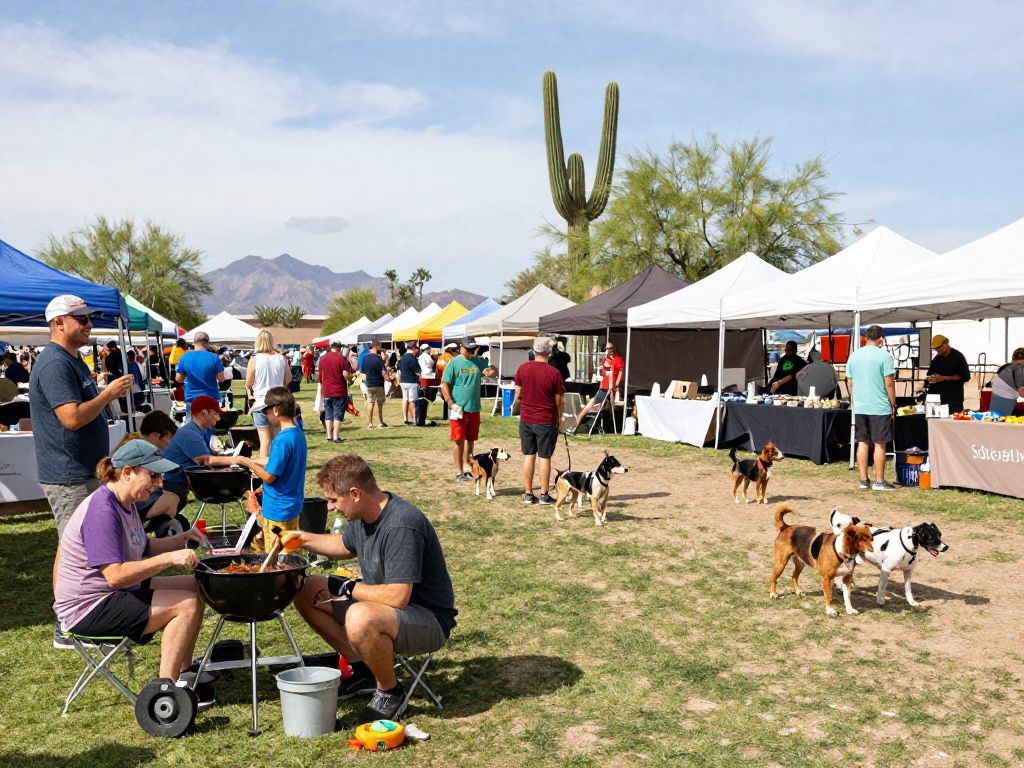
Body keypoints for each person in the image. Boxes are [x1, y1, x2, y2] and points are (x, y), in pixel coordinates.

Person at [285, 454, 457, 724]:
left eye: (333, 500)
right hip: (389, 611)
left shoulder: (401, 524)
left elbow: (398, 597)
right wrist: (302, 539)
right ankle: (364, 669)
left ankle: (390, 691)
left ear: (354, 493)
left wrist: (347, 587)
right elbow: (343, 546)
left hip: (428, 620)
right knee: (308, 589)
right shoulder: (363, 516)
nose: (330, 508)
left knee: (360, 616)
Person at [30, 294, 134, 649]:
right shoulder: (55, 364)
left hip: (81, 469)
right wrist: (108, 393)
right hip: (68, 473)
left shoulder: (70, 360)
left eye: (90, 318)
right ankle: (66, 624)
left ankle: (81, 615)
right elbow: (71, 418)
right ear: (59, 322)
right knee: (72, 547)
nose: (90, 324)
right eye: (82, 319)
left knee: (81, 544)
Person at [54, 439, 207, 680]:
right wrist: (169, 558)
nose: (159, 484)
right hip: (89, 607)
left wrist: (183, 539)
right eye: (153, 476)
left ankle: (184, 672)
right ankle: (166, 691)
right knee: (185, 604)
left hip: (111, 592)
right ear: (128, 472)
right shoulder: (103, 511)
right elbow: (115, 576)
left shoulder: (125, 502)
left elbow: (142, 546)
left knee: (197, 587)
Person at [229, 387, 307, 552]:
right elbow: (278, 463)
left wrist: (247, 461)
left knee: (276, 557)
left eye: (266, 411)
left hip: (278, 509)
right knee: (291, 551)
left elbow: (269, 476)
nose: (265, 416)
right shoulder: (298, 434)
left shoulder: (282, 440)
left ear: (276, 410)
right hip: (292, 505)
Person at [160, 396, 240, 511]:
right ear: (204, 413)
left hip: (176, 484)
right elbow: (205, 461)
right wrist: (236, 460)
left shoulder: (195, 430)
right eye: (216, 413)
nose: (218, 418)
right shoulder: (190, 434)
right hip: (171, 485)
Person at [513, 337, 565, 505]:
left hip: (527, 418)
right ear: (549, 353)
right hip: (546, 420)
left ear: (533, 351)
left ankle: (528, 493)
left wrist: (515, 407)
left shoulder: (522, 369)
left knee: (529, 456)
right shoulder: (554, 373)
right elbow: (559, 401)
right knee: (545, 458)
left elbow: (518, 394)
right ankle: (544, 494)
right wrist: (560, 419)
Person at [846, 325, 897, 491]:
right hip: (879, 406)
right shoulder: (884, 356)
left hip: (860, 405)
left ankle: (863, 479)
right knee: (880, 443)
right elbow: (889, 383)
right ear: (881, 338)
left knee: (862, 442)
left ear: (865, 338)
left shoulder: (854, 355)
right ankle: (880, 482)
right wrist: (893, 404)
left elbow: (850, 381)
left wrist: (855, 399)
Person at [440, 337, 495, 481]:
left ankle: (467, 467)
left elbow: (490, 371)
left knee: (470, 440)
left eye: (473, 349)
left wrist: (492, 369)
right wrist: (451, 403)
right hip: (458, 408)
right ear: (461, 347)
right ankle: (459, 473)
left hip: (474, 407)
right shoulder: (453, 363)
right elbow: (444, 384)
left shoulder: (478, 360)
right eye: (468, 349)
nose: (470, 351)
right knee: (458, 440)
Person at [245, 330, 292, 461]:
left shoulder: (254, 360)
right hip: (278, 402)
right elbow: (288, 379)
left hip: (260, 403)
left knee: (264, 441)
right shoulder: (281, 359)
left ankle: (264, 469)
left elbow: (248, 383)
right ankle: (279, 465)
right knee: (277, 439)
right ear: (272, 341)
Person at [574, 341, 624, 429]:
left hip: (611, 387)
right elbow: (605, 374)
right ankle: (577, 422)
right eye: (606, 349)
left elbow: (620, 373)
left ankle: (581, 419)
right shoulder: (605, 360)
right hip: (605, 387)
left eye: (610, 349)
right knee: (593, 403)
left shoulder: (618, 359)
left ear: (613, 349)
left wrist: (616, 385)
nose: (608, 351)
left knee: (603, 404)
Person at [175, 331, 224, 413]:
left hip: (192, 398)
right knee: (210, 423)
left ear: (194, 343)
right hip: (211, 397)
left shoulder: (184, 357)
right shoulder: (214, 357)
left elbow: (179, 379)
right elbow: (221, 378)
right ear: (207, 343)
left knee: (191, 423)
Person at [925, 334, 971, 414]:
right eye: (935, 348)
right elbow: (930, 373)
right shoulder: (937, 358)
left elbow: (965, 376)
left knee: (952, 423)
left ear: (945, 344)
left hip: (953, 400)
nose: (937, 350)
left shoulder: (958, 357)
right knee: (932, 422)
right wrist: (931, 378)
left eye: (939, 347)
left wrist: (944, 378)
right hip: (935, 398)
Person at [319, 341, 352, 443]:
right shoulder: (341, 358)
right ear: (339, 348)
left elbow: (320, 375)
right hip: (339, 390)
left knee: (328, 413)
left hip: (327, 390)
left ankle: (329, 435)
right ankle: (336, 436)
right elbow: (345, 375)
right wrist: (352, 376)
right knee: (338, 414)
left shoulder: (322, 358)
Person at [361, 341, 389, 429]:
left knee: (370, 403)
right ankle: (381, 422)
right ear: (376, 347)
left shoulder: (365, 358)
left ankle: (370, 423)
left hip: (369, 384)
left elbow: (363, 372)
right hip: (379, 383)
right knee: (379, 404)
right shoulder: (379, 358)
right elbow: (384, 372)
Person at [990, 347, 1024, 416]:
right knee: (1000, 421)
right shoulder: (1019, 369)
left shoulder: (1009, 367)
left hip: (999, 392)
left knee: (996, 420)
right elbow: (1022, 392)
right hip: (1004, 395)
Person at [398, 342, 421, 426]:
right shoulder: (412, 358)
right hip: (411, 381)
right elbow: (418, 370)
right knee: (412, 401)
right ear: (414, 348)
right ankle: (414, 419)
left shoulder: (402, 357)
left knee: (405, 399)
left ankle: (405, 419)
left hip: (403, 381)